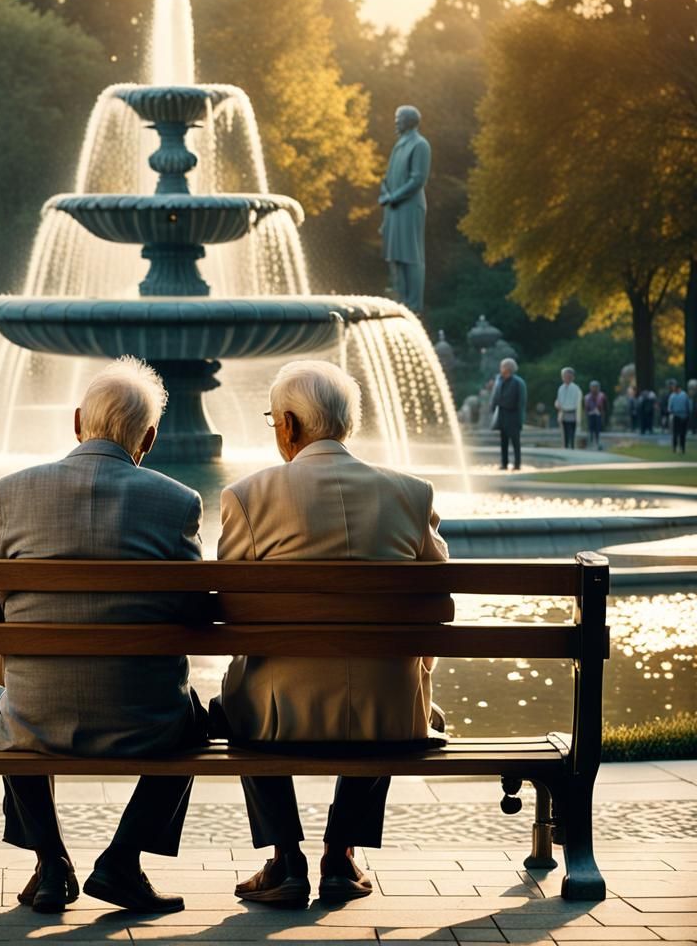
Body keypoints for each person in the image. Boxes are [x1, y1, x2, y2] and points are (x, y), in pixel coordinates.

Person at [0, 356, 207, 915]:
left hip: (36, 720)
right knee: (197, 721)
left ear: (77, 423)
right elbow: (195, 615)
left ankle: (52, 866)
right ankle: (121, 861)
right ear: (147, 438)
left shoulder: (12, 491)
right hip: (145, 726)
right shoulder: (178, 502)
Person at [212, 360, 448, 908]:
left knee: (234, 702)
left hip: (277, 715)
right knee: (389, 690)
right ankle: (340, 856)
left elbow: (229, 612)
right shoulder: (411, 493)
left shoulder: (248, 496)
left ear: (289, 426)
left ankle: (285, 860)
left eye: (274, 420)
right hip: (389, 718)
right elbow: (437, 604)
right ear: (347, 425)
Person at [379, 105, 431, 314]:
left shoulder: (420, 145)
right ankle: (400, 298)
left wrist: (394, 196)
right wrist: (385, 191)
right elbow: (389, 175)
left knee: (410, 255)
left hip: (409, 206)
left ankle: (413, 304)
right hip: (393, 208)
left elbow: (418, 179)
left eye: (399, 118)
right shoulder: (399, 145)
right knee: (395, 255)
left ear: (410, 120)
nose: (396, 121)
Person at [490, 358, 527, 470]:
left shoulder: (517, 382)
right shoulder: (500, 381)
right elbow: (495, 396)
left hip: (513, 416)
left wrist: (519, 417)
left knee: (515, 442)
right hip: (502, 415)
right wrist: (493, 406)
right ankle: (504, 463)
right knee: (503, 441)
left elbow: (520, 401)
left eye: (503, 367)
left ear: (508, 369)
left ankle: (517, 464)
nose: (501, 369)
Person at [554, 367, 582, 450]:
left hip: (572, 413)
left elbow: (577, 402)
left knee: (572, 432)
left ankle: (572, 447)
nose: (565, 378)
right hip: (563, 413)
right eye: (564, 376)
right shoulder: (561, 388)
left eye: (568, 376)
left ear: (572, 377)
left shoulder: (576, 388)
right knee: (565, 432)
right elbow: (559, 399)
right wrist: (557, 404)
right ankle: (565, 447)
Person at [668, 379, 691, 454]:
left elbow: (669, 408)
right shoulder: (684, 395)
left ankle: (677, 448)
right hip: (682, 416)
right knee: (681, 433)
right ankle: (681, 448)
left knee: (677, 433)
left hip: (677, 416)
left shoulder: (673, 396)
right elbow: (689, 406)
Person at [584, 380, 608, 450]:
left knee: (598, 429)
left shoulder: (602, 396)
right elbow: (585, 407)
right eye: (593, 387)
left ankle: (598, 442)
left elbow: (605, 406)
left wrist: (603, 413)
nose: (594, 388)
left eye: (596, 387)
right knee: (591, 429)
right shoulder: (587, 397)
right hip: (590, 414)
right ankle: (591, 442)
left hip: (598, 414)